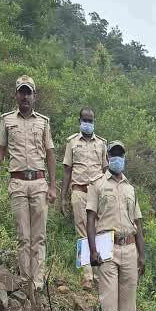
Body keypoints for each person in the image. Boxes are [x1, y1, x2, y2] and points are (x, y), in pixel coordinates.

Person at [0, 75, 56, 295]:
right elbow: (0, 153)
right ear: (16, 94)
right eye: (22, 92)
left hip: (39, 182)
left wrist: (52, 186)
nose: (25, 96)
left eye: (29, 92)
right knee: (23, 236)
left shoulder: (43, 122)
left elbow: (50, 154)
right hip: (18, 183)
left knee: (39, 236)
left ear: (34, 96)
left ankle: (37, 281)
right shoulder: (6, 120)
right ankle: (25, 280)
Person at [86, 141, 145, 311]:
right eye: (114, 154)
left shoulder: (131, 188)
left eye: (121, 154)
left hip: (129, 247)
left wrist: (142, 254)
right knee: (109, 301)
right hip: (106, 246)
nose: (117, 158)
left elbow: (138, 222)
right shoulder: (98, 184)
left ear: (124, 157)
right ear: (107, 156)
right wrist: (93, 250)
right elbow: (91, 218)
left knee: (128, 304)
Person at [61, 107, 107, 290]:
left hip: (98, 194)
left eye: (91, 120)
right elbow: (67, 171)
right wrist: (63, 198)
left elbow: (106, 171)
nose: (88, 123)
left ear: (94, 121)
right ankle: (86, 276)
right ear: (80, 120)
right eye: (85, 120)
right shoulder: (72, 142)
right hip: (79, 191)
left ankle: (98, 275)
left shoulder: (102, 144)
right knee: (82, 232)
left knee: (98, 232)